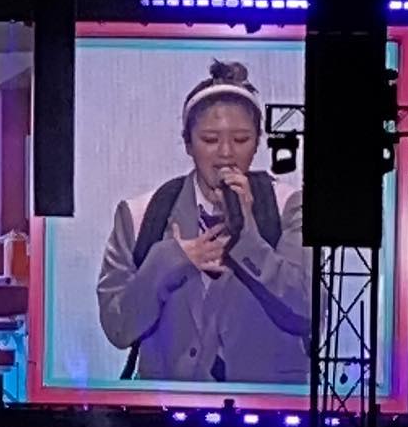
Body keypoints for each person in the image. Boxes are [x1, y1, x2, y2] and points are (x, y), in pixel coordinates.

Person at [97, 58, 310, 384]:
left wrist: (249, 239)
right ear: (188, 143)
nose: (226, 153)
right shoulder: (140, 214)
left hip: (267, 404)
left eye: (241, 140)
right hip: (168, 402)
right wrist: (169, 261)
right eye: (210, 140)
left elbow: (308, 312)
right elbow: (118, 327)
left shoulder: (287, 207)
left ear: (258, 142)